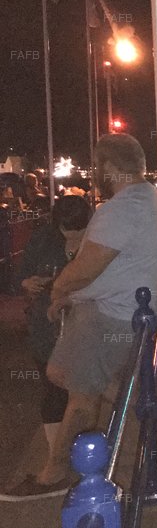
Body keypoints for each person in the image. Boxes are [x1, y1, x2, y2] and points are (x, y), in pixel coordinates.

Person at [0, 134, 157, 499]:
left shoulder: (120, 209)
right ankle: (138, 408)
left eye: (97, 165)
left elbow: (86, 269)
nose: (95, 174)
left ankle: (54, 474)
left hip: (109, 316)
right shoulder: (149, 199)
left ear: (109, 167)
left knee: (79, 391)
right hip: (124, 311)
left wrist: (59, 290)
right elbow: (113, 268)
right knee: (62, 374)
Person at [0, 196, 91, 494]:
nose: (72, 238)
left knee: (81, 392)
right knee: (53, 390)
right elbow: (20, 276)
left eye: (78, 232)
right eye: (66, 232)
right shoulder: (41, 239)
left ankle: (80, 456)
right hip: (45, 324)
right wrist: (27, 283)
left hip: (82, 326)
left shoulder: (98, 241)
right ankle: (58, 459)